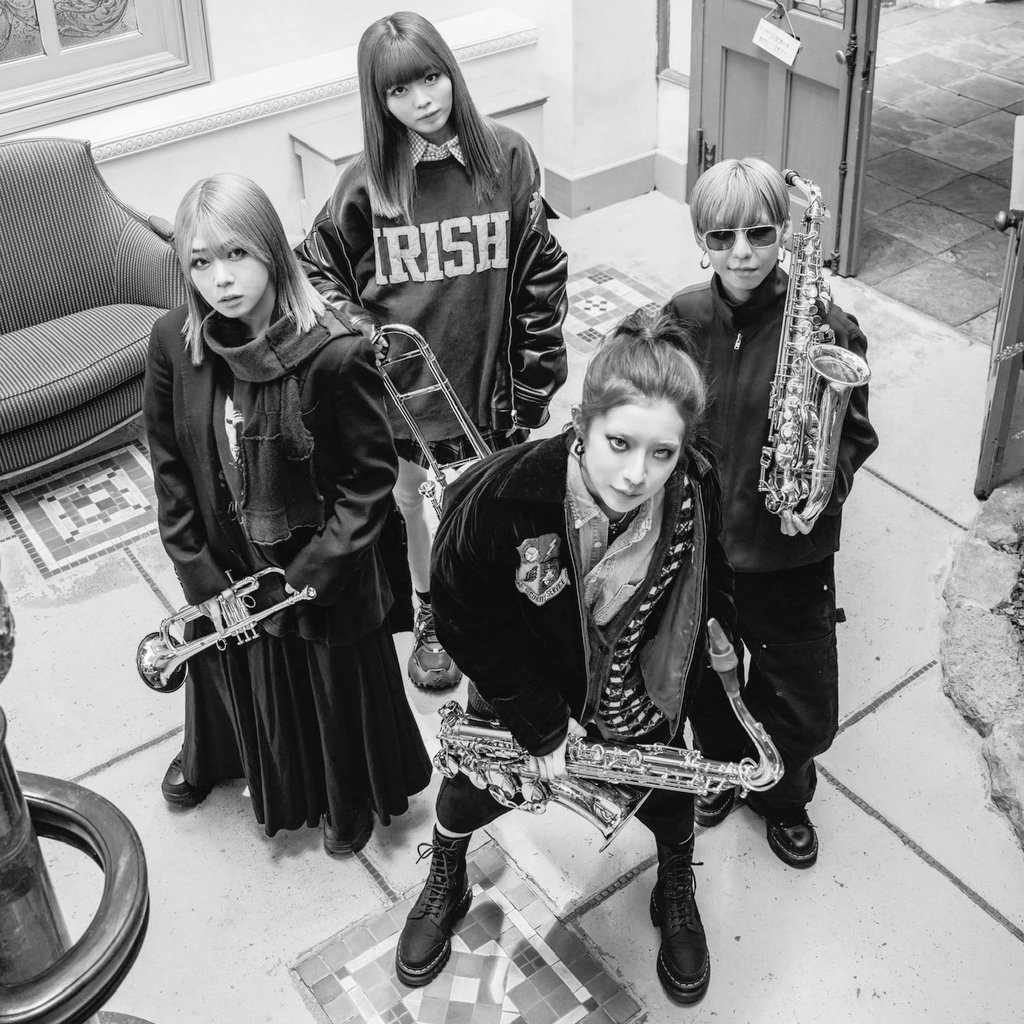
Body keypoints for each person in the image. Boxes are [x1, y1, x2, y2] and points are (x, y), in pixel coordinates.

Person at [394, 311, 738, 1006]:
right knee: (468, 792)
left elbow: (710, 568)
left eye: (662, 453)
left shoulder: (695, 484)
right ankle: (448, 874)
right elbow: (463, 615)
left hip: (639, 692)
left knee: (671, 804)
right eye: (619, 443)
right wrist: (541, 722)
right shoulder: (504, 496)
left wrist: (723, 629)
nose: (638, 473)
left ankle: (674, 880)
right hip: (527, 690)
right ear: (582, 423)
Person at [144, 173, 431, 855]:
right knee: (238, 672)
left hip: (318, 570)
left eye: (236, 254)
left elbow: (368, 483)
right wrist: (195, 567)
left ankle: (346, 797)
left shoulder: (335, 351)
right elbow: (170, 464)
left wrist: (311, 576)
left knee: (330, 687)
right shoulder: (174, 340)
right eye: (200, 262)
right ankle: (225, 756)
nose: (220, 279)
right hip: (229, 559)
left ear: (272, 249)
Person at [296, 10, 569, 692]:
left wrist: (533, 383)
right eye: (399, 90)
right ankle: (431, 613)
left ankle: (495, 616)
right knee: (410, 499)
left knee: (486, 509)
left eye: (431, 77)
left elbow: (540, 278)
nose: (422, 100)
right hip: (403, 394)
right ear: (378, 100)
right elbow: (315, 270)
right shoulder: (365, 182)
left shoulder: (508, 157)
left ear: (451, 72)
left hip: (485, 383)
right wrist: (363, 333)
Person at [664, 157, 879, 868]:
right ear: (701, 240)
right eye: (722, 237)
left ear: (784, 232)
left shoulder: (824, 323)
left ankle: (784, 798)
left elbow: (855, 433)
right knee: (707, 683)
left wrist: (823, 490)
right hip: (705, 552)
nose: (743, 253)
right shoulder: (681, 318)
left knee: (801, 702)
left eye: (760, 233)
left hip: (792, 553)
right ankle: (726, 772)